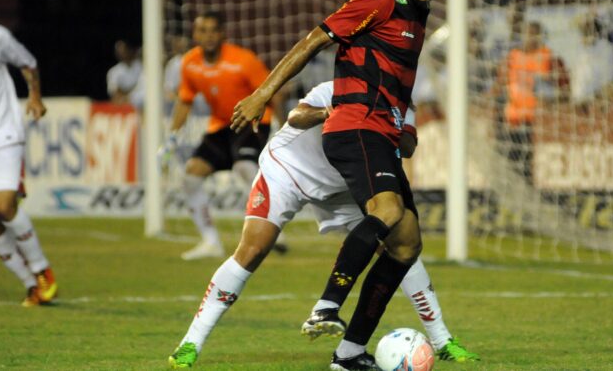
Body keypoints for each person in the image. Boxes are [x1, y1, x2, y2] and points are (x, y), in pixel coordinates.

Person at [230, 0, 450, 370]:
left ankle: (348, 354)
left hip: (383, 130)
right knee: (388, 211)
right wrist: (263, 93)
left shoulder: (417, 11)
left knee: (407, 243)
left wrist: (404, 124)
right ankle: (326, 306)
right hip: (355, 124)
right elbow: (314, 40)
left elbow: (396, 79)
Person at [168, 82, 479, 368]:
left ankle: (440, 340)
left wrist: (393, 129)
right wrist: (328, 113)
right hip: (288, 171)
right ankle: (190, 343)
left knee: (401, 245)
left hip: (344, 184)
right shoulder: (340, 88)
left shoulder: (402, 105)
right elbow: (296, 116)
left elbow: (408, 146)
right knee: (253, 250)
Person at [159, 10, 286, 260]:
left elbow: (274, 92)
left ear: (222, 34)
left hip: (251, 122)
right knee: (191, 175)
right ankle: (210, 242)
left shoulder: (243, 60)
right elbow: (185, 100)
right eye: (202, 31)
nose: (208, 36)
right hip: (220, 127)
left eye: (213, 31)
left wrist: (283, 127)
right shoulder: (189, 63)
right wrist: (171, 138)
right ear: (195, 34)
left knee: (245, 167)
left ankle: (273, 228)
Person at [0, 24, 58, 307]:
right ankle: (31, 283)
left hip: (4, 133)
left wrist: (35, 96)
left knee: (3, 205)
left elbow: (28, 62)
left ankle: (41, 268)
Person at [494, 20, 569, 181]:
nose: (530, 37)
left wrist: (551, 98)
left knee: (530, 172)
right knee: (510, 171)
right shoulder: (512, 58)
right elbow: (498, 88)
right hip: (512, 123)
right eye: (527, 33)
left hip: (537, 125)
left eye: (535, 33)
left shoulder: (551, 59)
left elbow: (565, 92)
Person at [106, 38, 144, 108]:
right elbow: (115, 93)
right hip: (124, 105)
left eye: (124, 50)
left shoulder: (141, 66)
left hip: (141, 103)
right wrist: (133, 89)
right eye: (119, 51)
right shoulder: (114, 71)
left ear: (130, 50)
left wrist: (125, 91)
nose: (122, 53)